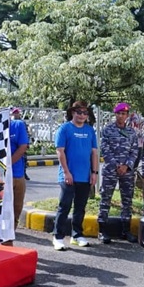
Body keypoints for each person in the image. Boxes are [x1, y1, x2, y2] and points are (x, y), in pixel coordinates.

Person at [53, 100, 98, 251]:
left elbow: (94, 153)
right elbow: (60, 152)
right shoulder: (64, 129)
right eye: (79, 112)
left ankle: (77, 235)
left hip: (84, 176)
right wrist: (66, 172)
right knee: (64, 206)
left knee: (80, 207)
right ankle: (58, 237)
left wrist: (94, 172)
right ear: (73, 112)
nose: (82, 115)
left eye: (85, 112)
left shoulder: (90, 130)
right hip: (68, 176)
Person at [97, 102, 139, 244]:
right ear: (115, 114)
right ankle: (102, 230)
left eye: (124, 114)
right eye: (119, 113)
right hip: (111, 170)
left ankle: (125, 230)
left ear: (127, 115)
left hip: (127, 171)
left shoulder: (132, 132)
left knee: (127, 200)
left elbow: (134, 151)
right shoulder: (107, 130)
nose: (121, 116)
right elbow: (105, 149)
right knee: (106, 199)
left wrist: (127, 166)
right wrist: (116, 165)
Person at [9, 107, 29, 230]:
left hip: (17, 173)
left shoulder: (18, 125)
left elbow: (23, 147)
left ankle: (12, 231)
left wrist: (7, 165)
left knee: (17, 206)